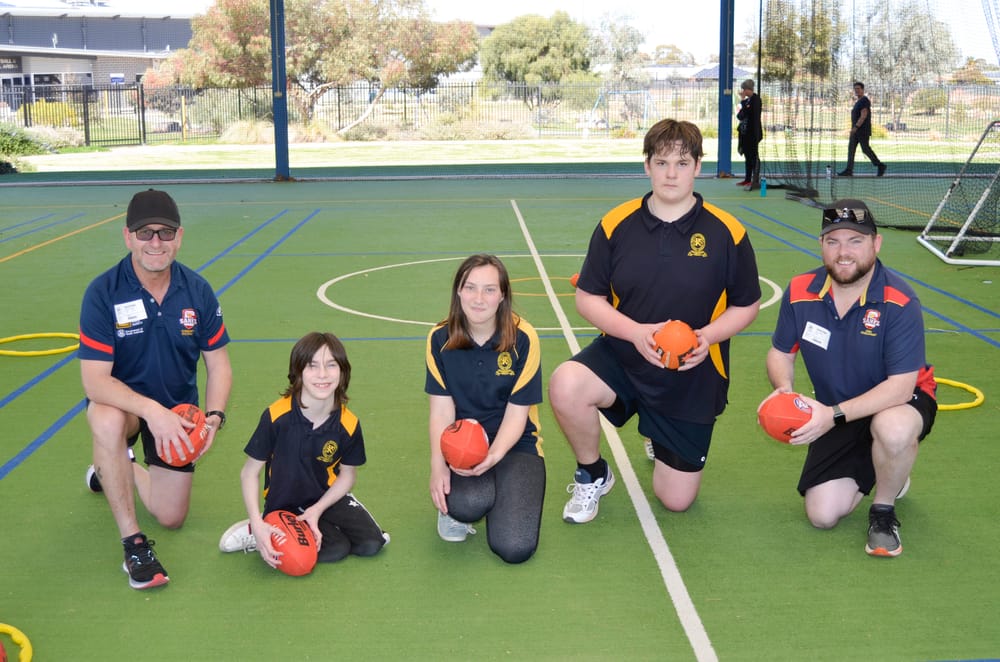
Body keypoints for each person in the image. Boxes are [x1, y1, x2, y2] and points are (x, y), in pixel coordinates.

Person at [549, 119, 761, 523]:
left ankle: (657, 430)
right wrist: (636, 333)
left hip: (692, 373)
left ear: (698, 166)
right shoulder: (616, 224)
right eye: (661, 162)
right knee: (566, 384)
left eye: (682, 163)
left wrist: (708, 337)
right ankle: (593, 472)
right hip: (626, 355)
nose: (670, 173)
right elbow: (587, 297)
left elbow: (747, 305)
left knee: (675, 500)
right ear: (646, 165)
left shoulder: (726, 233)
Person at [763, 199, 936, 557]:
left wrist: (832, 416)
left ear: (876, 244)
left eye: (855, 241)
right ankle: (888, 465)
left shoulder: (900, 302)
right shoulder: (799, 292)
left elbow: (901, 387)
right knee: (822, 515)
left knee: (893, 430)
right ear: (822, 245)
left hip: (899, 400)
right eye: (833, 241)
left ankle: (884, 510)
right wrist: (784, 391)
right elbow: (781, 353)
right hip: (837, 406)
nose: (843, 252)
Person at [79, 188, 232, 590]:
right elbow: (94, 381)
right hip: (126, 407)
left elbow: (219, 366)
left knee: (171, 517)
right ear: (128, 237)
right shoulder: (103, 293)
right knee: (107, 420)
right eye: (145, 233)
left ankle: (114, 465)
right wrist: (151, 412)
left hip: (179, 413)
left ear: (179, 237)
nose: (155, 243)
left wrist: (214, 417)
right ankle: (133, 544)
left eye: (165, 233)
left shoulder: (197, 291)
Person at [219, 332, 388, 568]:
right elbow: (249, 473)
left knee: (371, 544)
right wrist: (258, 523)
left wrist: (317, 510)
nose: (322, 374)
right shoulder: (277, 417)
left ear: (343, 372)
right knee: (336, 549)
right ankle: (255, 528)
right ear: (298, 372)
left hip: (325, 498)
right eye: (312, 366)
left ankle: (313, 523)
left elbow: (348, 474)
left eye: (331, 365)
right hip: (284, 501)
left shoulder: (348, 424)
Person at [425, 254, 545, 564]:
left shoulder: (524, 338)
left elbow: (518, 413)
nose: (479, 299)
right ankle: (474, 501)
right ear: (458, 292)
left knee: (514, 548)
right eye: (471, 288)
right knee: (465, 505)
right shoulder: (439, 338)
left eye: (490, 289)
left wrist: (493, 457)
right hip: (463, 446)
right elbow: (441, 411)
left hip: (516, 442)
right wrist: (439, 466)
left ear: (503, 294)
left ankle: (500, 496)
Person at [838, 82, 886, 177]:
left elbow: (864, 115)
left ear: (863, 90)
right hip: (855, 131)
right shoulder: (858, 101)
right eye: (855, 89)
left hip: (862, 131)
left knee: (865, 149)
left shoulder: (864, 100)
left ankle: (880, 165)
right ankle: (849, 170)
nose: (856, 90)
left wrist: (856, 127)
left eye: (858, 88)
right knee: (851, 149)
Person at [736, 79, 763, 189]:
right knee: (747, 156)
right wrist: (743, 104)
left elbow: (749, 112)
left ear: (748, 89)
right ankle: (747, 179)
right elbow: (740, 116)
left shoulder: (756, 100)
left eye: (744, 89)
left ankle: (755, 180)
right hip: (745, 133)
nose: (743, 91)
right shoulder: (747, 101)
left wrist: (743, 101)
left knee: (753, 156)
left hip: (753, 133)